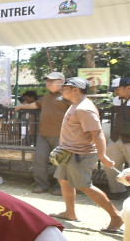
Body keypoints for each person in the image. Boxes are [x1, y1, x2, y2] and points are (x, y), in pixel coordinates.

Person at [50, 77, 125, 232]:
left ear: (76, 89)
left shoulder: (84, 108)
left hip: (80, 154)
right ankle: (70, 212)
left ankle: (116, 216)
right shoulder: (76, 105)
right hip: (68, 153)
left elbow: (97, 133)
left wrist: (103, 156)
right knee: (63, 180)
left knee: (84, 185)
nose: (62, 90)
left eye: (65, 87)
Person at [15, 71, 70, 194]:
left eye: (52, 81)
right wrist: (21, 106)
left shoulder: (68, 96)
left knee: (61, 162)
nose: (49, 83)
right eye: (47, 81)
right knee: (39, 159)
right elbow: (35, 105)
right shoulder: (47, 96)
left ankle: (61, 187)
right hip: (43, 135)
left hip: (62, 135)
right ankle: (42, 184)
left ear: (62, 81)